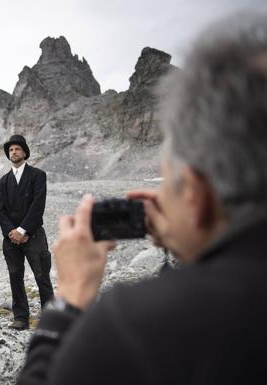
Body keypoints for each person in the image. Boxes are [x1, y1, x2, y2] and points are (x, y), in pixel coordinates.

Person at [18, 12, 267, 384]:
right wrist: (192, 242)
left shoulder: (133, 324)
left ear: (196, 196)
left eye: (169, 181)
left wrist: (69, 297)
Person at [0, 135, 53, 330]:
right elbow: (1, 211)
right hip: (11, 239)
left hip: (34, 235)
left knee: (41, 276)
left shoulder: (38, 175)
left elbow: (38, 205)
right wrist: (12, 232)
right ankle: (21, 318)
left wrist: (23, 230)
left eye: (17, 149)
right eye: (11, 150)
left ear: (25, 152)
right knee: (15, 276)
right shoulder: (3, 181)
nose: (14, 152)